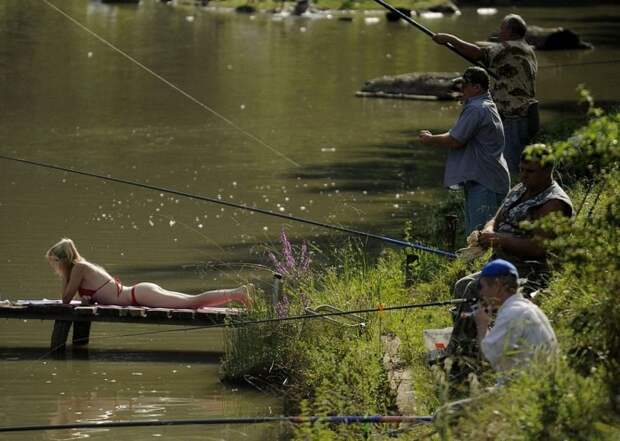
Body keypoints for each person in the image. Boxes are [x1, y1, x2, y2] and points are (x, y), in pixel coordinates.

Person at [446, 144, 572, 364]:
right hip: (502, 264)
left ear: (547, 170)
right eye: (521, 169)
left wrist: (498, 240)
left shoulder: (554, 203)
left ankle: (468, 359)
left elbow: (538, 248)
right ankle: (465, 348)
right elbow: (497, 217)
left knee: (473, 289)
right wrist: (488, 231)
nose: (523, 176)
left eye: (529, 171)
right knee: (461, 285)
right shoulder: (520, 190)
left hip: (531, 271)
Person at [432, 14, 538, 174]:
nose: (500, 32)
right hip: (526, 114)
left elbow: (477, 53)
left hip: (514, 117)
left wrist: (449, 39)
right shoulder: (528, 50)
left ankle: (511, 197)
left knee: (512, 167)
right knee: (519, 164)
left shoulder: (510, 47)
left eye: (502, 28)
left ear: (510, 31)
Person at [419, 66, 510, 235]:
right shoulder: (482, 104)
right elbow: (456, 134)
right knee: (481, 235)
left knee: (480, 238)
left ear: (477, 88)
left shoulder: (476, 108)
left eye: (465, 86)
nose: (461, 89)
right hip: (485, 179)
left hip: (485, 182)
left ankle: (479, 262)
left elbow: (455, 140)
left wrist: (431, 140)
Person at [46, 238, 252, 308]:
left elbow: (65, 300)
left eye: (54, 263)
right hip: (140, 292)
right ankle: (237, 293)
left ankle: (238, 293)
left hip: (139, 294)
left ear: (62, 260)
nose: (54, 268)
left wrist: (64, 275)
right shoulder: (81, 268)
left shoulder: (79, 268)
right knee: (191, 300)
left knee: (192, 303)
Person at [474, 259, 558, 374]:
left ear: (498, 285)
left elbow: (487, 361)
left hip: (528, 386)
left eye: (482, 287)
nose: (481, 293)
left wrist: (482, 325)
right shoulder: (529, 308)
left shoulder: (511, 313)